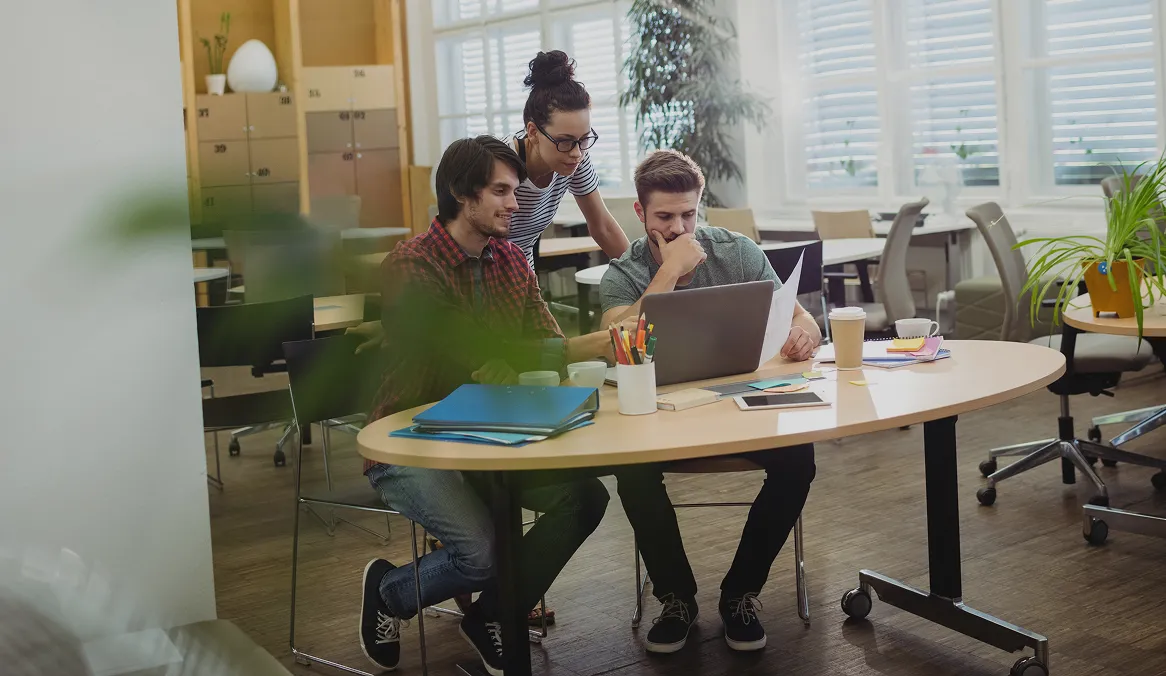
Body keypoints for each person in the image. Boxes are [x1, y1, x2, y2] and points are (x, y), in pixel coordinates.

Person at [357, 135, 618, 676]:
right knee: (479, 554)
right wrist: (554, 350)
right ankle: (389, 592)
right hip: (411, 441)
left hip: (494, 433)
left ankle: (494, 614)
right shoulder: (410, 265)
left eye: (516, 191)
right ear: (460, 193)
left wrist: (525, 359)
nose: (516, 204)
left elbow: (539, 344)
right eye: (501, 191)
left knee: (584, 498)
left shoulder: (511, 262)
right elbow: (463, 354)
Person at [599, 149, 820, 654]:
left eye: (688, 214)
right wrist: (669, 273)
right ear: (640, 214)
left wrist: (804, 335)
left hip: (737, 406)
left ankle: (741, 593)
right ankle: (675, 597)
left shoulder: (735, 251)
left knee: (798, 460)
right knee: (631, 470)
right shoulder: (624, 273)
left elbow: (800, 317)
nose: (679, 227)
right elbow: (617, 338)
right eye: (664, 217)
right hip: (658, 416)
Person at [504, 49, 630, 269]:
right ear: (533, 132)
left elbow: (603, 227)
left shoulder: (576, 157)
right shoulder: (501, 162)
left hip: (521, 275)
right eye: (565, 141)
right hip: (479, 276)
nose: (577, 153)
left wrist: (644, 277)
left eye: (584, 139)